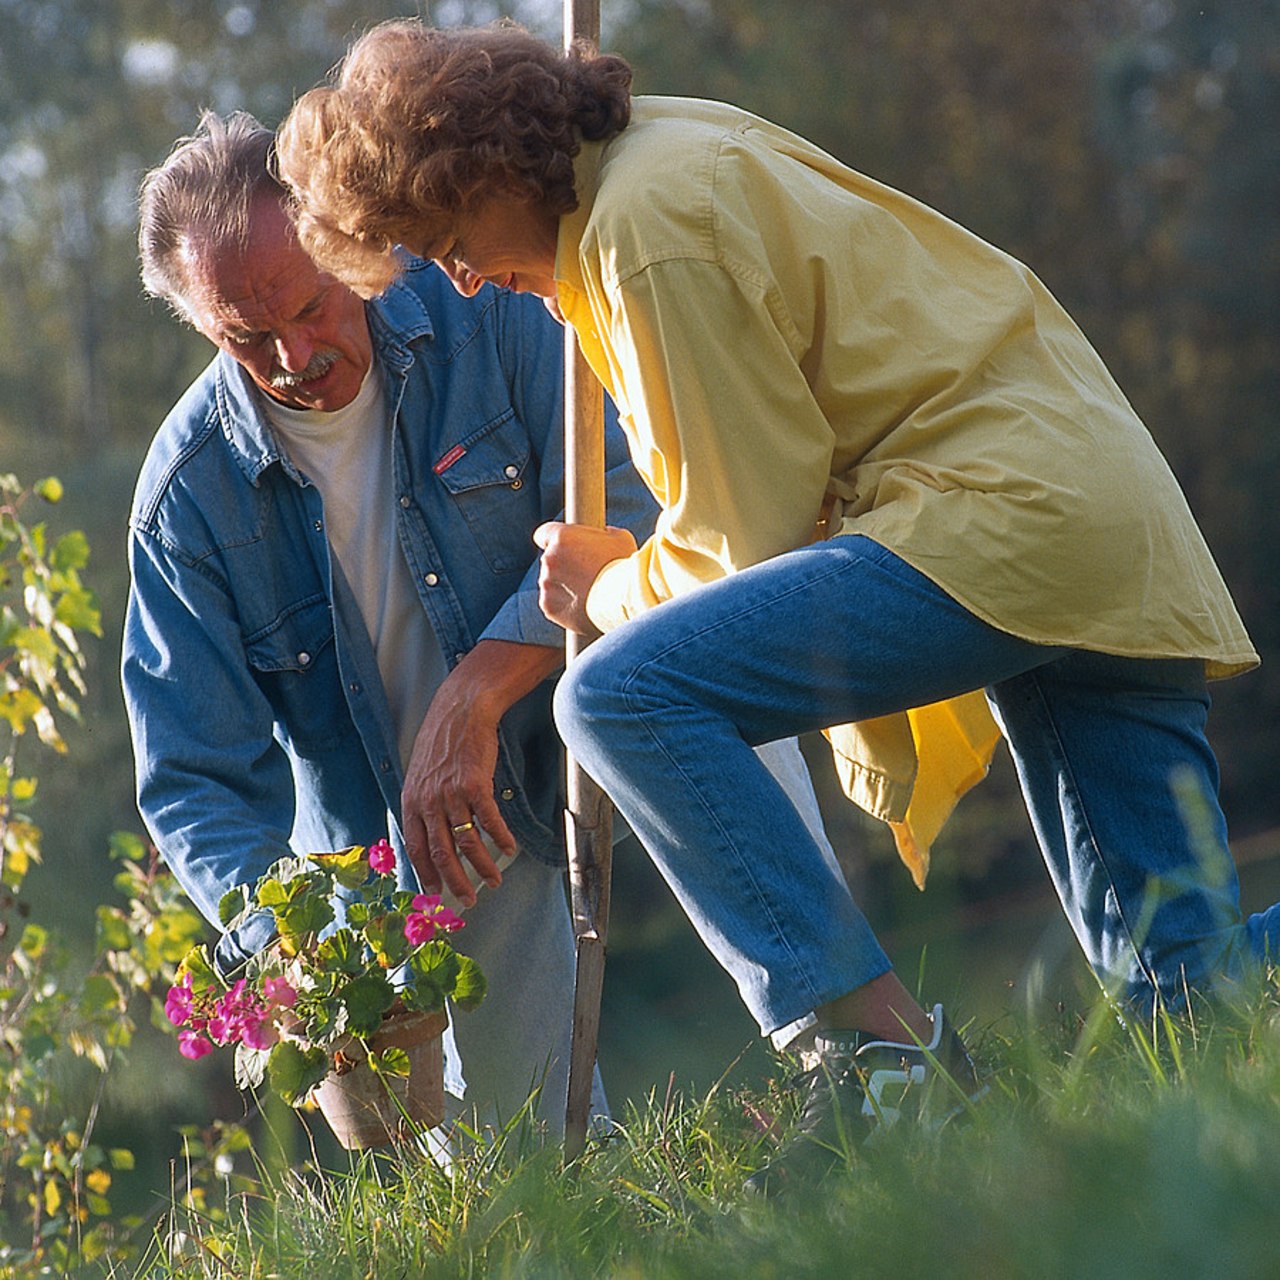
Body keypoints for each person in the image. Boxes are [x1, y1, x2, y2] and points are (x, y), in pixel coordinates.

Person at [274, 19, 1279, 1186]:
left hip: (999, 518)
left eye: (446, 237)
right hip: (1080, 519)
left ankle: (877, 1063)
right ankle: (893, 1065)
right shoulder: (649, 165)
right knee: (1187, 1007)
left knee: (615, 694)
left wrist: (606, 583)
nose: (454, 274)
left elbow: (734, 541)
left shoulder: (645, 229)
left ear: (488, 170)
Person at [125, 110, 857, 1146]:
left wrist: (474, 693)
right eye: (246, 336)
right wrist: (296, 945)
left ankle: (854, 1044)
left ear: (345, 245)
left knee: (711, 642)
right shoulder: (185, 502)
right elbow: (194, 777)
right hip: (431, 841)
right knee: (533, 1178)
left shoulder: (487, 307)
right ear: (199, 322)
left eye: (311, 306)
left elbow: (631, 510)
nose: (293, 355)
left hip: (595, 685)